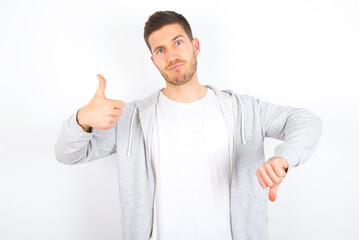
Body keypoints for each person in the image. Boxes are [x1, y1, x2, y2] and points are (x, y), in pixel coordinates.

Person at [55, 11, 322, 240]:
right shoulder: (131, 119)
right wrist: (82, 121)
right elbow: (68, 154)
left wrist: (284, 157)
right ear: (154, 60)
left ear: (194, 45)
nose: (172, 55)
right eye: (161, 50)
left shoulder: (243, 110)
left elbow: (305, 120)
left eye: (178, 42)